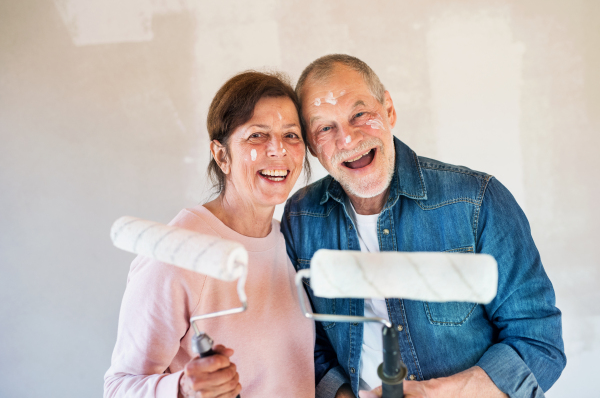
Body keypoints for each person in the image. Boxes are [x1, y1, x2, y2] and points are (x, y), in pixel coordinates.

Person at [281, 54, 566, 398]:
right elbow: (310, 344)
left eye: (360, 114)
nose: (347, 139)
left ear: (389, 110)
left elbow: (539, 341)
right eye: (325, 128)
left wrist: (432, 393)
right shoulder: (300, 217)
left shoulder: (476, 200)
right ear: (312, 145)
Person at [104, 71, 316, 398]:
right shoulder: (178, 253)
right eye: (257, 135)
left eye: (291, 135)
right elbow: (118, 388)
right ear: (221, 155)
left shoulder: (289, 239)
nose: (279, 150)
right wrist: (184, 388)